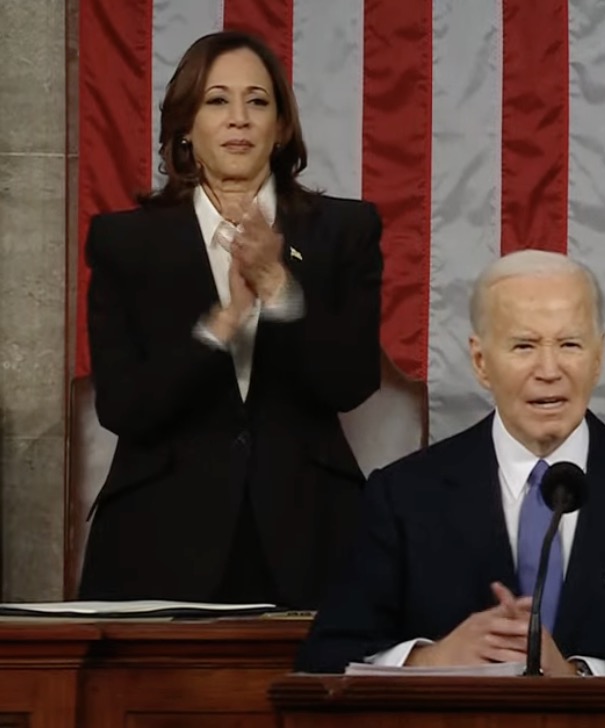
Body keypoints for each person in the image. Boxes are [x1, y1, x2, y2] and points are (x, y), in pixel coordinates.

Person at [296, 250, 605, 676]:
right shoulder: (404, 495)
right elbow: (325, 657)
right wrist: (430, 660)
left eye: (570, 344)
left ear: (597, 358)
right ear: (481, 362)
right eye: (524, 346)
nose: (549, 370)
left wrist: (581, 674)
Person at [79, 31, 382, 609]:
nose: (238, 118)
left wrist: (278, 287)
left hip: (311, 530)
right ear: (186, 127)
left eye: (257, 101)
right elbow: (124, 407)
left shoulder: (344, 231)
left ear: (281, 127)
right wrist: (221, 326)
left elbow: (350, 382)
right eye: (217, 100)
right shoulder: (125, 241)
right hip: (156, 535)